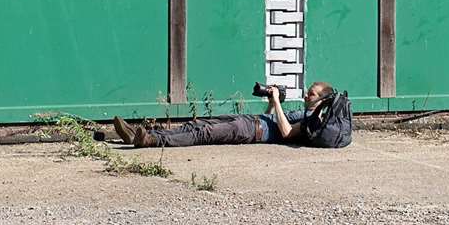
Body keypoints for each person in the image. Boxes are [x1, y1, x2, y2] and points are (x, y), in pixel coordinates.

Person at [110, 81, 341, 148]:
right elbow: (273, 119)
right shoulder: (309, 111)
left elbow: (287, 132)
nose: (305, 96)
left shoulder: (314, 120)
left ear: (322, 99)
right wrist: (272, 103)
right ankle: (138, 135)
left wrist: (279, 105)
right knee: (197, 124)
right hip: (253, 121)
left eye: (311, 94)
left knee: (205, 133)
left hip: (251, 131)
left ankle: (150, 140)